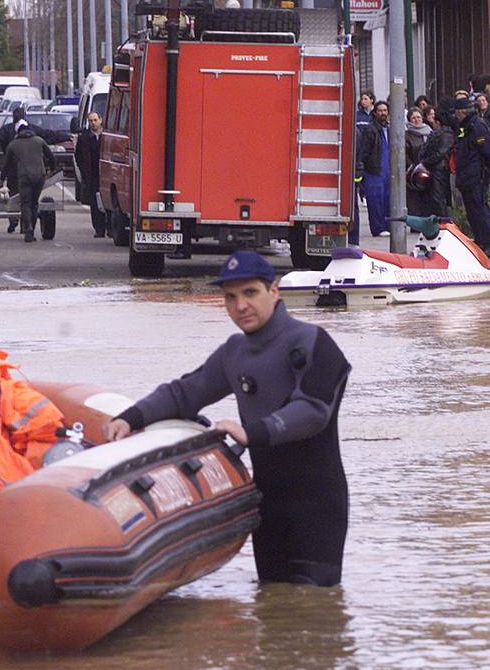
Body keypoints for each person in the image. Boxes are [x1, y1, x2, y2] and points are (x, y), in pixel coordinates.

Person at [102, 251, 351, 587]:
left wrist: (252, 432)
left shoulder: (314, 341)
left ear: (273, 291)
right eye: (230, 297)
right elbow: (184, 393)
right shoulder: (234, 352)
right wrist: (130, 417)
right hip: (266, 505)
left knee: (315, 611)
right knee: (274, 608)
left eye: (250, 293)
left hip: (317, 506)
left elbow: (313, 411)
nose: (240, 306)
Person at [0, 121, 56, 242]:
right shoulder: (39, 140)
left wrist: (1, 180)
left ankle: (28, 228)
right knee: (34, 203)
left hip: (24, 177)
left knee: (26, 203)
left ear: (18, 132)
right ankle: (32, 231)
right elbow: (51, 157)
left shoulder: (13, 145)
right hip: (40, 175)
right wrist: (51, 169)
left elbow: (6, 166)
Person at [452, 95, 490, 251]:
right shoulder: (465, 127)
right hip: (467, 178)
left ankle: (487, 242)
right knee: (472, 212)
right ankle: (481, 241)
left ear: (462, 112)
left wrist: (483, 176)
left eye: (457, 112)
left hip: (476, 177)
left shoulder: (477, 126)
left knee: (479, 210)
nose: (455, 116)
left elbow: (486, 152)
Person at [355, 100, 391, 237]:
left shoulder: (389, 129)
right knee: (376, 200)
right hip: (374, 171)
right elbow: (364, 152)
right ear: (375, 113)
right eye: (380, 110)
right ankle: (378, 228)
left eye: (385, 110)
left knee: (388, 199)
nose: (383, 113)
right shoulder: (370, 130)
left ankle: (388, 225)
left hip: (387, 171)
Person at [416, 102, 455, 218]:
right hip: (434, 169)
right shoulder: (438, 134)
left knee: (439, 197)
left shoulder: (446, 135)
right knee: (434, 197)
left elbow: (440, 153)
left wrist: (425, 161)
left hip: (439, 169)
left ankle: (444, 221)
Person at [76, 111, 107, 237]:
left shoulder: (106, 136)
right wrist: (84, 171)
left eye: (95, 120)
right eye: (90, 121)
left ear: (100, 120)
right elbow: (78, 156)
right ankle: (99, 230)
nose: (93, 123)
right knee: (95, 204)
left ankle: (110, 228)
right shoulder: (84, 138)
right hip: (92, 176)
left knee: (107, 203)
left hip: (106, 175)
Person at [405, 107, 433, 218]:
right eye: (413, 118)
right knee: (415, 198)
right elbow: (405, 153)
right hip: (413, 172)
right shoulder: (407, 135)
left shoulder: (430, 132)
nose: (416, 120)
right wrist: (413, 166)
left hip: (429, 170)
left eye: (418, 117)